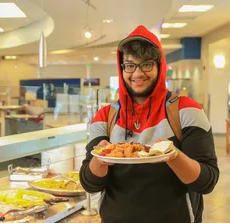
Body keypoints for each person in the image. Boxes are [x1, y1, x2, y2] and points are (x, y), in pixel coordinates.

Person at [79, 25, 219, 223]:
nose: (137, 74)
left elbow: (206, 182)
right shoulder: (105, 116)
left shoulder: (187, 111)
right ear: (122, 69)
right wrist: (99, 160)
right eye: (129, 65)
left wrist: (173, 156)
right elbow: (89, 184)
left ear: (159, 66)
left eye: (146, 64)